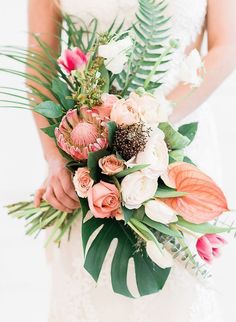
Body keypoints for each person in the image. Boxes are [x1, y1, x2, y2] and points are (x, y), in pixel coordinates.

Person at [28, 0, 236, 321]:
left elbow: (226, 47)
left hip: (175, 141)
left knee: (177, 296)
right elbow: (39, 61)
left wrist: (152, 121)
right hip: (87, 151)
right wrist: (54, 160)